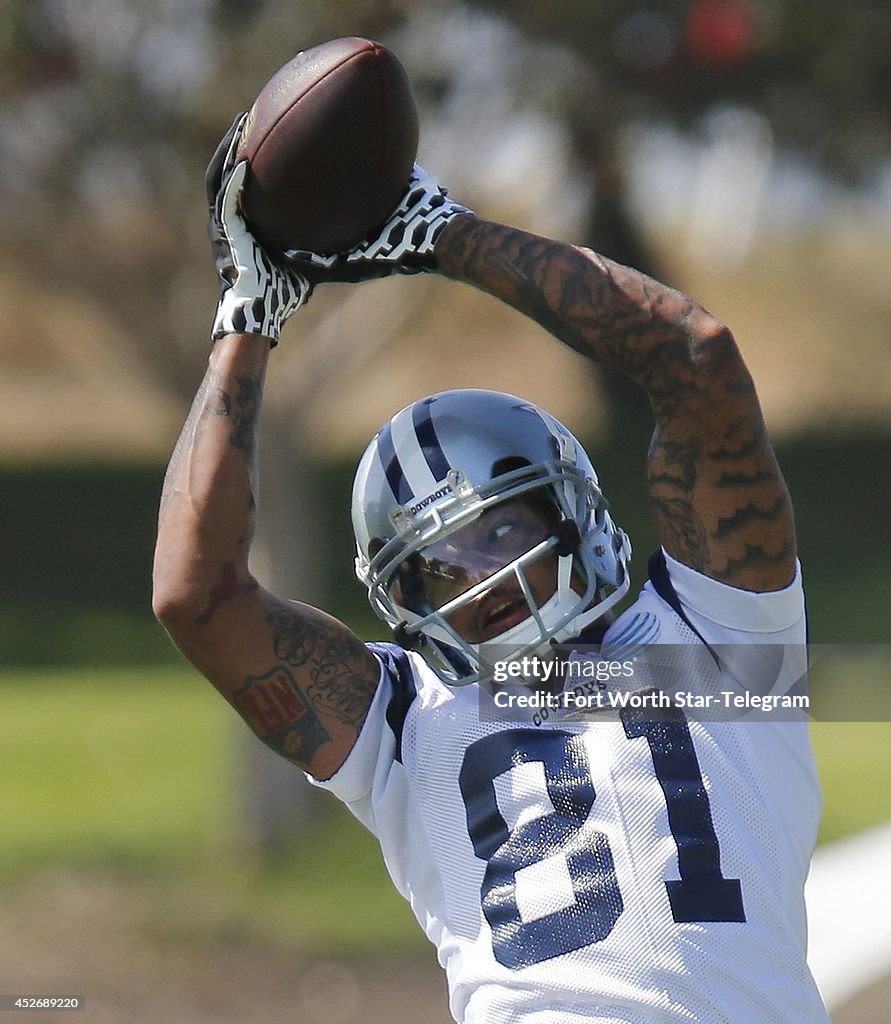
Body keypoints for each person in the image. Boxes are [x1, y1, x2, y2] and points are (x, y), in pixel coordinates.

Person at [152, 113, 831, 1024]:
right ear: (399, 599)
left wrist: (442, 234)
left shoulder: (722, 643)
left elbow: (695, 360)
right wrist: (247, 316)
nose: (480, 582)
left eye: (500, 535)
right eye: (436, 568)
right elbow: (196, 595)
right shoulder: (405, 721)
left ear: (571, 514)